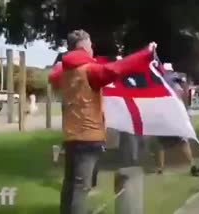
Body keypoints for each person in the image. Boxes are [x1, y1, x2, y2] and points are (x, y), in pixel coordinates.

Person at [49, 29, 156, 214]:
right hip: (88, 138)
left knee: (70, 186)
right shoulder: (89, 71)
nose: (92, 49)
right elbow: (118, 69)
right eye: (90, 45)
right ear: (82, 46)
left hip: (71, 136)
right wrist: (146, 54)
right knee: (81, 188)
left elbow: (54, 75)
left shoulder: (65, 72)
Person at [155, 64, 199, 177]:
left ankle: (161, 168)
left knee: (161, 144)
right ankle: (193, 166)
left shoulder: (160, 82)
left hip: (163, 117)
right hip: (173, 116)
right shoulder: (174, 82)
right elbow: (180, 95)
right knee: (182, 142)